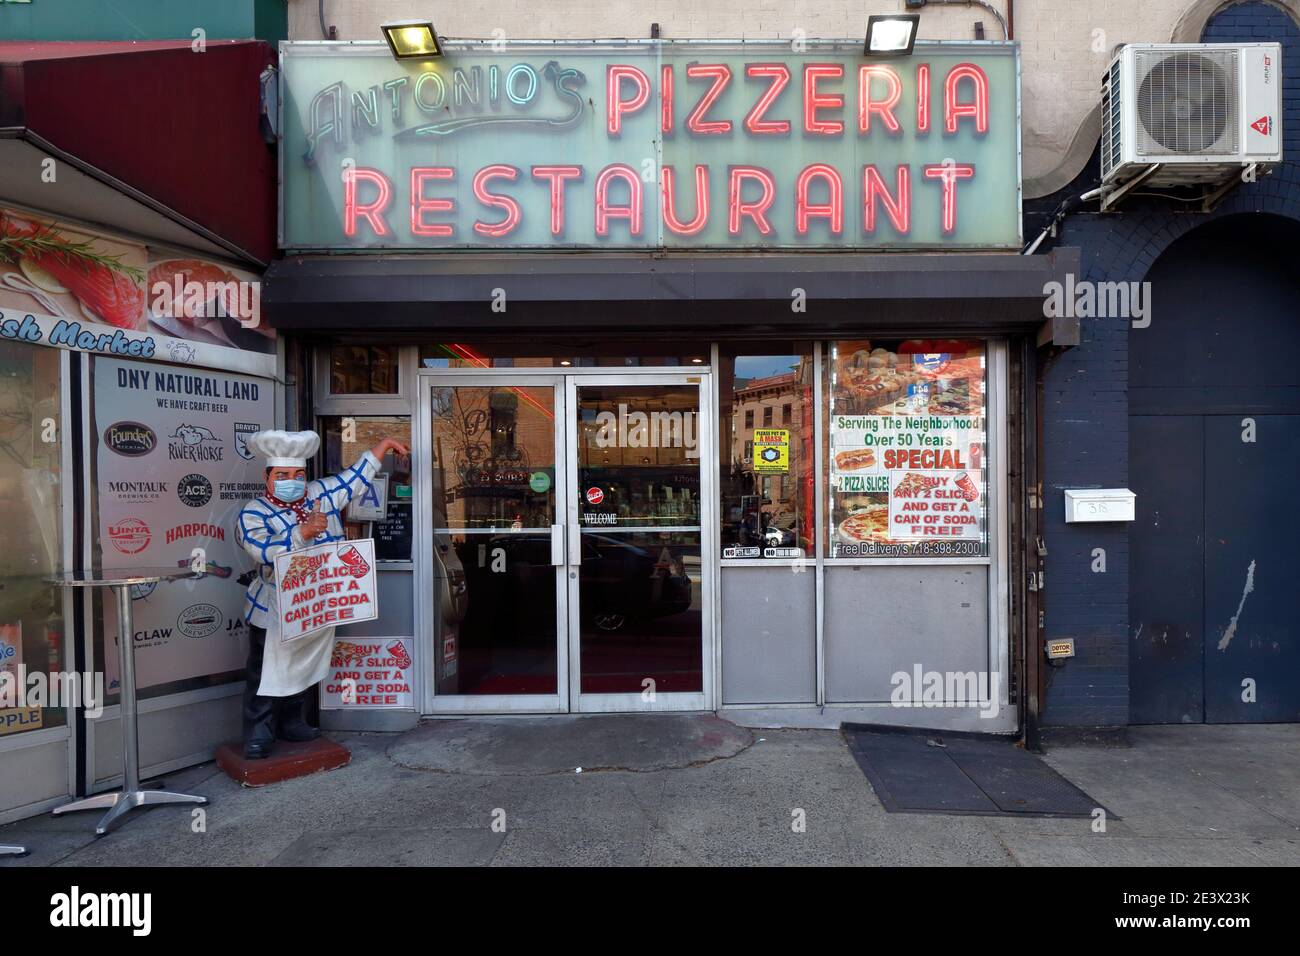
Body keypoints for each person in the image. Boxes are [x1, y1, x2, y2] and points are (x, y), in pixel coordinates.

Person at [235, 429, 409, 759]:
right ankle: (258, 733)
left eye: (298, 474)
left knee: (303, 666)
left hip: (317, 605)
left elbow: (352, 480)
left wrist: (382, 446)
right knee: (266, 672)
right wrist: (301, 533)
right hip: (273, 607)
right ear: (267, 476)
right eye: (283, 475)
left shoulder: (319, 495)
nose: (292, 481)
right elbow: (262, 550)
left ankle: (292, 722)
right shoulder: (253, 512)